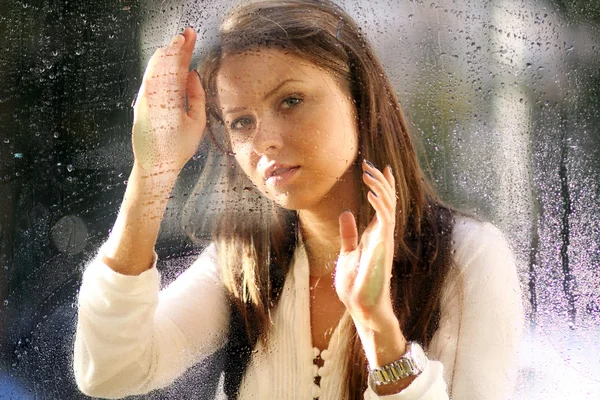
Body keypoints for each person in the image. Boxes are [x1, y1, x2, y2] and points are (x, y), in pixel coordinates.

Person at [73, 0, 524, 399]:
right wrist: (152, 173)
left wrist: (380, 332)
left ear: (359, 102)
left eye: (290, 100)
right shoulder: (245, 261)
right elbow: (110, 372)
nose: (264, 140)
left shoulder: (467, 259)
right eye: (241, 122)